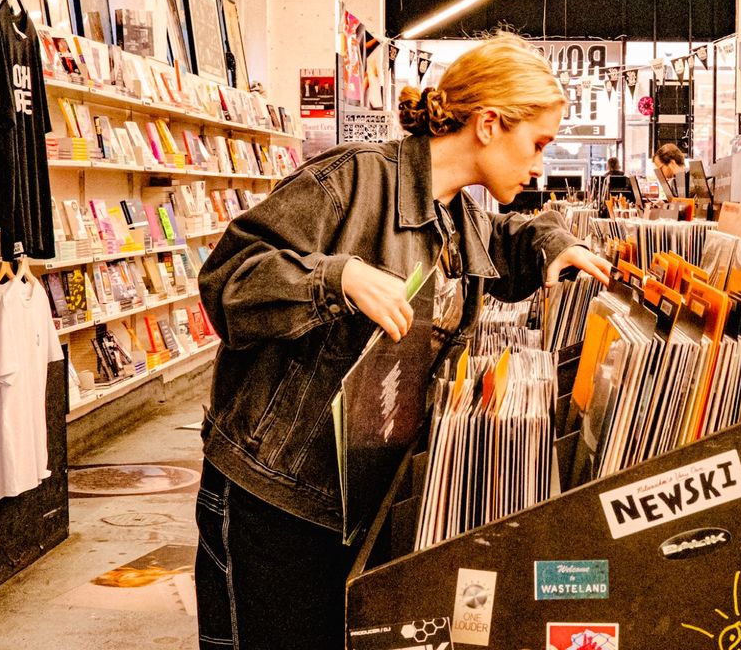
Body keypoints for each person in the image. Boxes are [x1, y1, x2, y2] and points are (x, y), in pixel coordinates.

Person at [193, 32, 612, 650]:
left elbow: (511, 239)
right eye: (538, 144)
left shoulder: (458, 216)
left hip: (355, 500)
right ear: (489, 124)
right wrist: (338, 277)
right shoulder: (354, 179)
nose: (540, 165)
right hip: (274, 501)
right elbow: (226, 281)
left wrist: (555, 243)